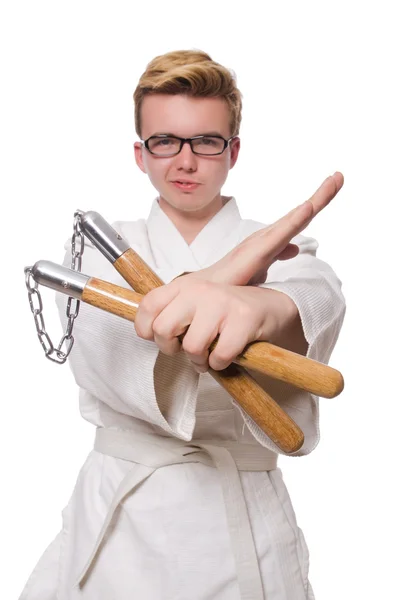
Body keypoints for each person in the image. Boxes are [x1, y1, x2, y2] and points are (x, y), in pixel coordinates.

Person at [19, 49, 346, 600]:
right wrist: (214, 284)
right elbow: (107, 350)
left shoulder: (283, 250)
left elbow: (313, 298)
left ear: (232, 150)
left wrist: (261, 310)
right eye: (164, 142)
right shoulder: (95, 255)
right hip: (122, 515)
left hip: (240, 513)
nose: (185, 161)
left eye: (206, 142)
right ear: (140, 155)